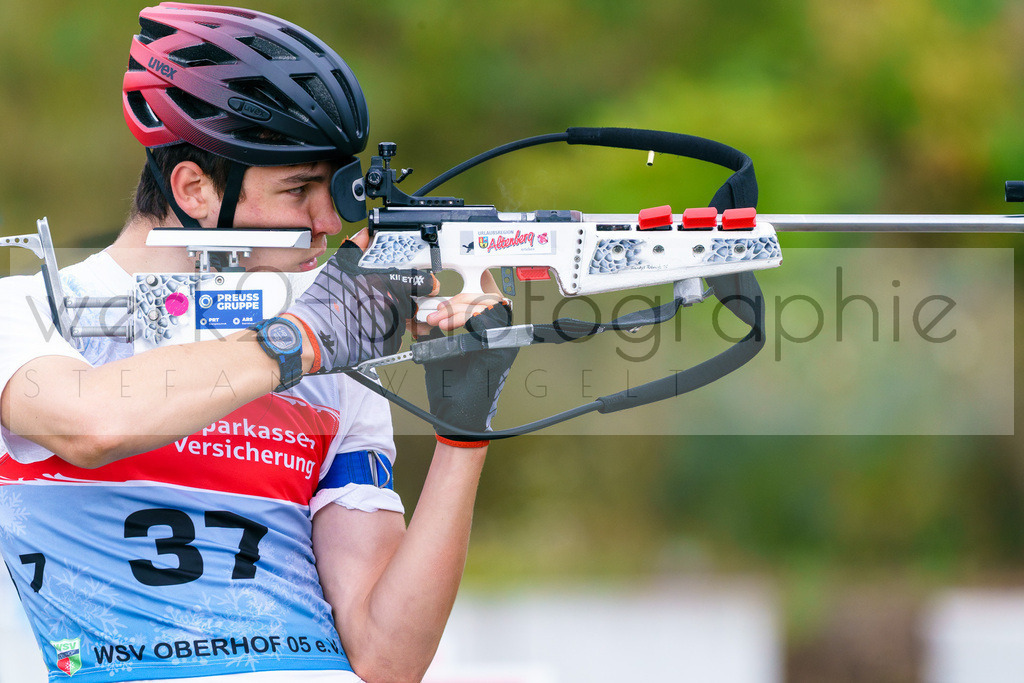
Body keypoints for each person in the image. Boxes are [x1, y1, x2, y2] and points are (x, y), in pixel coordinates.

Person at [0, 3, 514, 682]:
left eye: (332, 189)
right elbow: (93, 424)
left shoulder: (329, 343)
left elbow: (389, 658)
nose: (328, 219)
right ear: (195, 189)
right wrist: (303, 337)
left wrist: (462, 435)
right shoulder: (23, 307)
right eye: (299, 189)